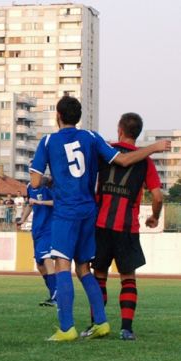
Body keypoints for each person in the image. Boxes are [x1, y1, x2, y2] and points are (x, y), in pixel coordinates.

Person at [30, 96, 170, 342]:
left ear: (58, 117)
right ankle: (103, 323)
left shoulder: (49, 141)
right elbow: (124, 160)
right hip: (90, 212)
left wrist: (53, 178)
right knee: (84, 268)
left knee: (63, 266)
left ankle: (66, 328)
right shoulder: (92, 137)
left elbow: (34, 181)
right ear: (78, 117)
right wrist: (155, 147)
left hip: (67, 212)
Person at [89, 113, 163, 341]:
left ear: (120, 129)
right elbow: (158, 197)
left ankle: (97, 325)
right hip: (127, 228)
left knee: (99, 276)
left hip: (101, 224)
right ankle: (126, 329)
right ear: (137, 132)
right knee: (128, 278)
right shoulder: (146, 161)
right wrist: (154, 217)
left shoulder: (106, 151)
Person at [19, 175, 56, 307]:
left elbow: (57, 202)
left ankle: (56, 297)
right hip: (36, 230)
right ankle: (54, 294)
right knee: (40, 265)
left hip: (49, 229)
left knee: (47, 260)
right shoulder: (29, 187)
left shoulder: (49, 185)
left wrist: (40, 202)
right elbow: (30, 204)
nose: (32, 175)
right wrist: (23, 218)